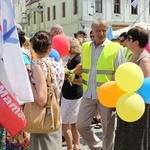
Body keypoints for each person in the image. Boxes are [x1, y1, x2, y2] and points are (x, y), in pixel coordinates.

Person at [74, 18, 125, 150]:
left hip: (107, 96)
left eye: (104, 30)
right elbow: (85, 67)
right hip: (88, 94)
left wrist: (115, 99)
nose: (101, 33)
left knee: (108, 130)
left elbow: (121, 73)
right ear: (92, 31)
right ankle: (97, 147)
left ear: (107, 31)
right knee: (81, 125)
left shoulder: (115, 48)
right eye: (98, 30)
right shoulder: (85, 47)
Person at [114, 26, 150, 150]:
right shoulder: (132, 55)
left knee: (135, 140)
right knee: (126, 138)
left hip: (138, 107)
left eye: (128, 39)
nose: (126, 41)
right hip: (128, 104)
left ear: (136, 42)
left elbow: (146, 88)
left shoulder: (144, 59)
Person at [29, 31, 65, 150]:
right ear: (50, 48)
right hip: (55, 114)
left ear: (34, 48)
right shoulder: (59, 65)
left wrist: (28, 82)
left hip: (42, 117)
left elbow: (41, 100)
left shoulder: (38, 66)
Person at [0, 28, 30, 150]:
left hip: (15, 99)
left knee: (14, 129)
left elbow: (27, 71)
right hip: (9, 99)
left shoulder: (20, 55)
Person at [61, 37, 83, 150]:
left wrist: (69, 79)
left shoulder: (77, 60)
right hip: (70, 95)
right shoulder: (71, 59)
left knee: (64, 123)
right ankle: (76, 146)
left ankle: (71, 147)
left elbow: (82, 81)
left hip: (73, 95)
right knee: (73, 123)